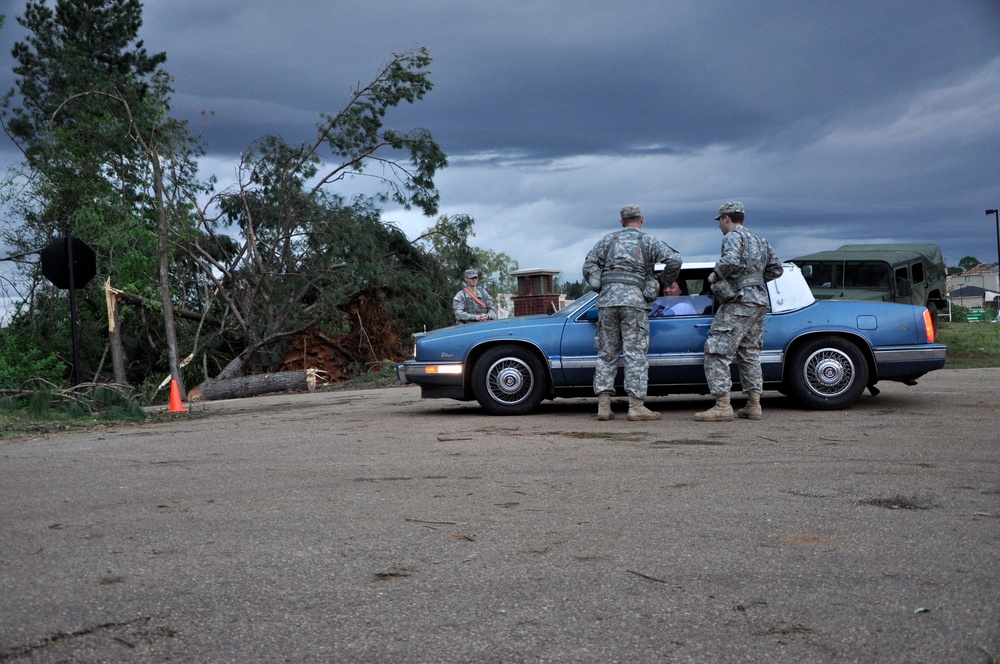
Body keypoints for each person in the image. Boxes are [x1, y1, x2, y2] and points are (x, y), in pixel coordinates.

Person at [582, 205, 681, 421]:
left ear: (622, 222)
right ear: (641, 219)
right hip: (634, 302)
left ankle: (604, 407)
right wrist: (660, 281)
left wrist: (598, 283)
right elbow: (675, 260)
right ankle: (636, 407)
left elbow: (589, 264)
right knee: (635, 353)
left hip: (607, 302)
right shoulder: (648, 241)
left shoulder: (607, 240)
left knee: (606, 353)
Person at [695, 202, 783, 422]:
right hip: (759, 302)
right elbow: (776, 268)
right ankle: (754, 405)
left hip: (739, 302)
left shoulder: (733, 237)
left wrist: (715, 275)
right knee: (749, 352)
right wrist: (754, 282)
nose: (719, 227)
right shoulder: (760, 240)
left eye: (720, 222)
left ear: (726, 218)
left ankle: (723, 405)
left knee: (716, 350)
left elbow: (731, 261)